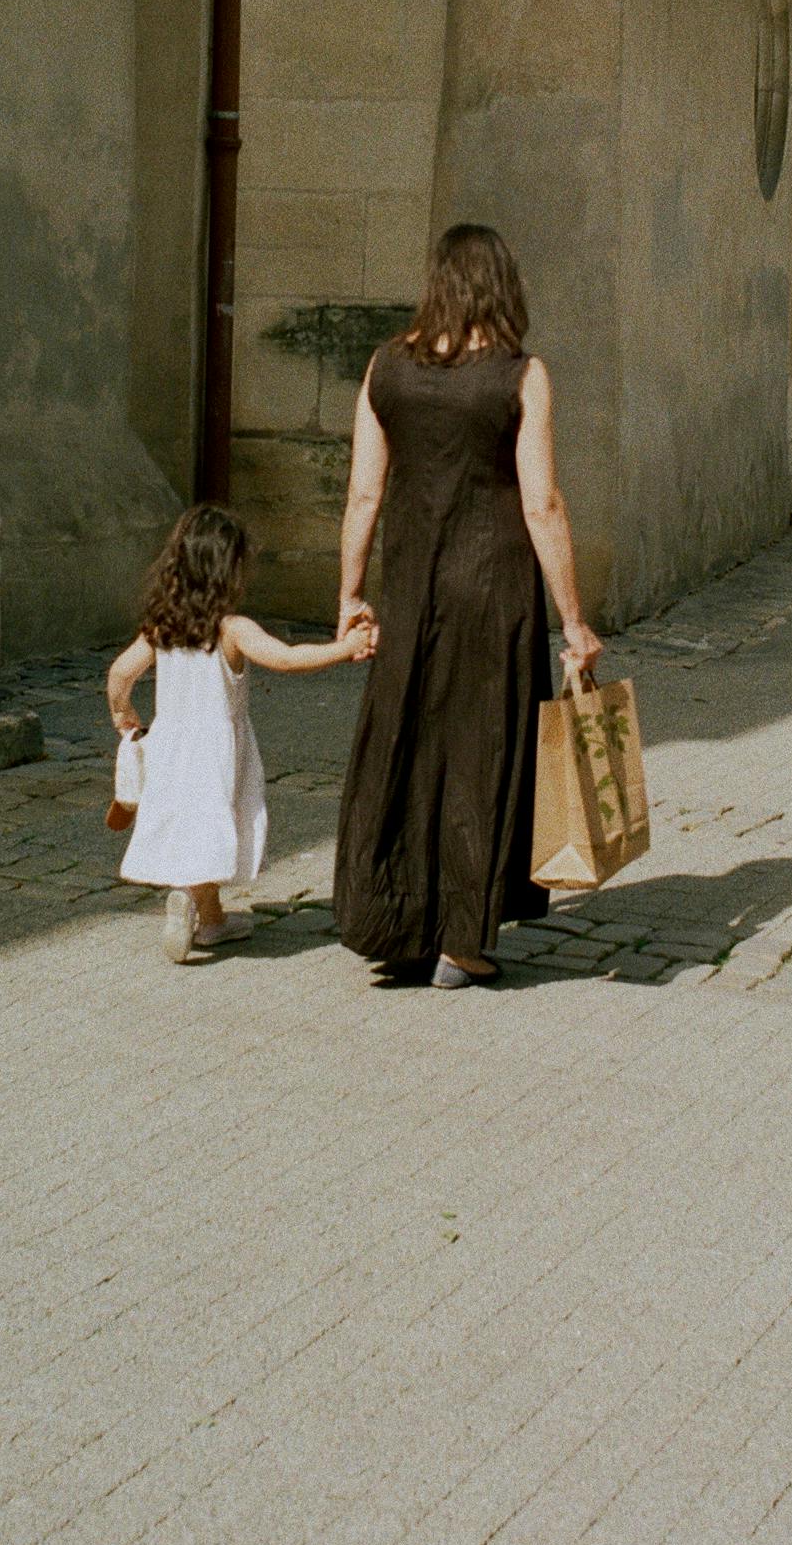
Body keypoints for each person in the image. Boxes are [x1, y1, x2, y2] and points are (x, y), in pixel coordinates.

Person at [332, 223, 603, 988]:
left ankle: (397, 923)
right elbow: (542, 504)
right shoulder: (520, 375)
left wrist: (350, 594)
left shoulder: (385, 368)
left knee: (407, 745)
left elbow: (362, 493)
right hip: (496, 593)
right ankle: (463, 940)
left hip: (413, 591)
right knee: (483, 752)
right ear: (501, 286)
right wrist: (574, 621)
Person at [109, 503, 376, 963]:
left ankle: (208, 918)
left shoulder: (162, 627)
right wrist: (344, 649)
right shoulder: (232, 629)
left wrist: (123, 711)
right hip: (216, 752)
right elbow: (287, 658)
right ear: (228, 573)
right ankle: (194, 903)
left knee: (191, 830)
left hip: (172, 748)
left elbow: (120, 672)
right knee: (212, 829)